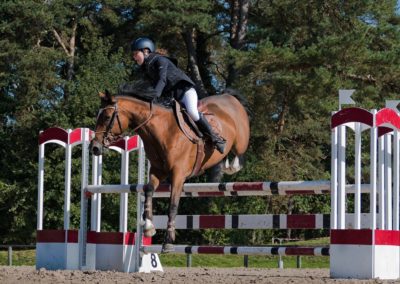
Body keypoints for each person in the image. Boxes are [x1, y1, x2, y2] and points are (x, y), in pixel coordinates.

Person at [119, 37, 226, 154]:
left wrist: (153, 97)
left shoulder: (160, 61)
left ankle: (216, 138)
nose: (134, 57)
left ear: (146, 51)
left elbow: (162, 80)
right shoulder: (147, 69)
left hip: (185, 92)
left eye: (136, 53)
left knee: (192, 112)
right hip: (171, 98)